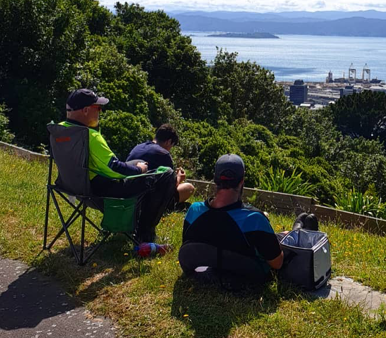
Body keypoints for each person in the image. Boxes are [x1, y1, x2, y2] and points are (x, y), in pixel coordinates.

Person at [59, 88, 177, 242]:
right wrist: (138, 169)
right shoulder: (89, 136)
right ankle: (144, 234)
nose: (100, 112)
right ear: (86, 110)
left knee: (137, 163)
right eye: (98, 108)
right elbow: (115, 168)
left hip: (72, 186)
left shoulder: (60, 130)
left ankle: (128, 226)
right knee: (166, 174)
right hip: (101, 192)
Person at [178, 154, 284, 284]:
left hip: (203, 271)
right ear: (242, 181)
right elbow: (277, 264)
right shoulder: (254, 219)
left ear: (215, 179)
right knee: (291, 232)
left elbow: (188, 244)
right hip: (246, 277)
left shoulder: (194, 211)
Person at [127, 124, 195, 205]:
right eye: (171, 146)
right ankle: (169, 206)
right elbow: (171, 186)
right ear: (169, 142)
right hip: (146, 199)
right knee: (189, 188)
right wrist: (179, 177)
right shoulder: (163, 153)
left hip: (127, 191)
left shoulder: (138, 147)